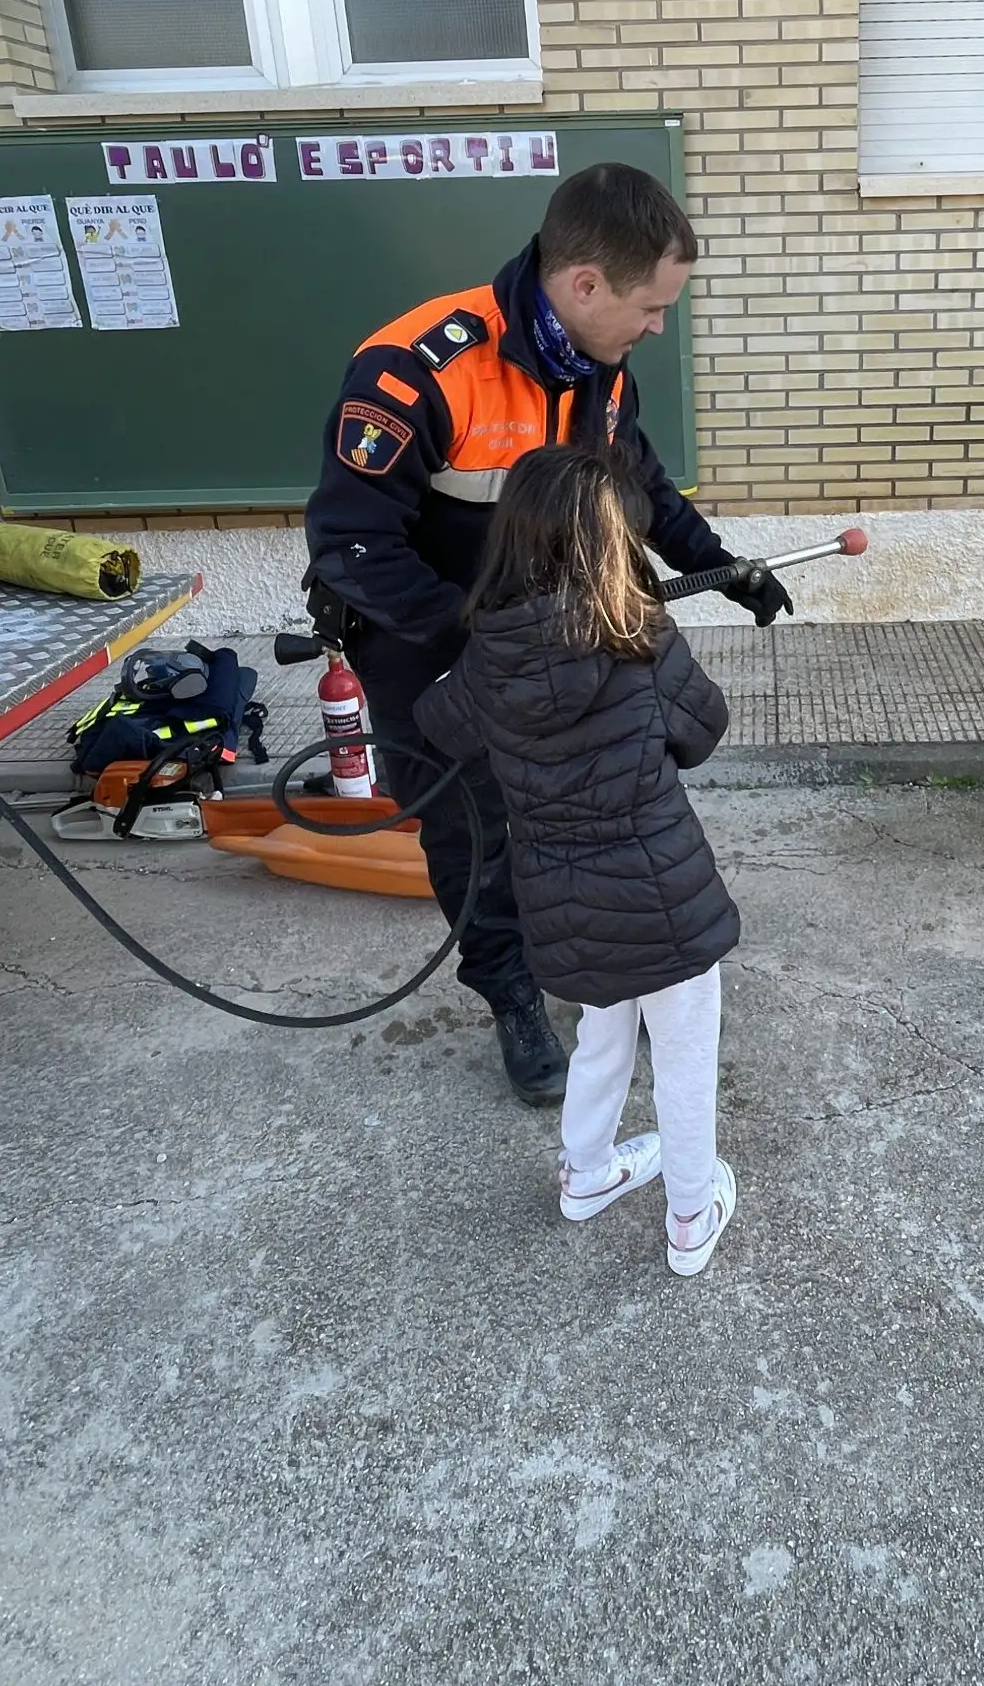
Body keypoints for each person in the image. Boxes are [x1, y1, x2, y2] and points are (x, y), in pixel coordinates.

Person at [303, 164, 790, 1106]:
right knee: (471, 827)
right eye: (652, 308)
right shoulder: (417, 371)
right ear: (586, 285)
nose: (659, 327)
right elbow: (350, 543)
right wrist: (478, 642)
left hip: (550, 632)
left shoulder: (599, 366)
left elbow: (637, 478)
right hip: (429, 643)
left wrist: (723, 565)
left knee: (582, 816)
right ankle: (510, 992)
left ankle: (601, 975)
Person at [415, 445, 740, 1277]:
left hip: (561, 902)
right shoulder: (642, 637)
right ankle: (692, 1215)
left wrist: (489, 658)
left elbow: (439, 724)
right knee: (684, 1054)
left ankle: (586, 1175)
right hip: (663, 901)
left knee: (604, 1030)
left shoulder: (488, 656)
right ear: (613, 547)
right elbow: (703, 730)